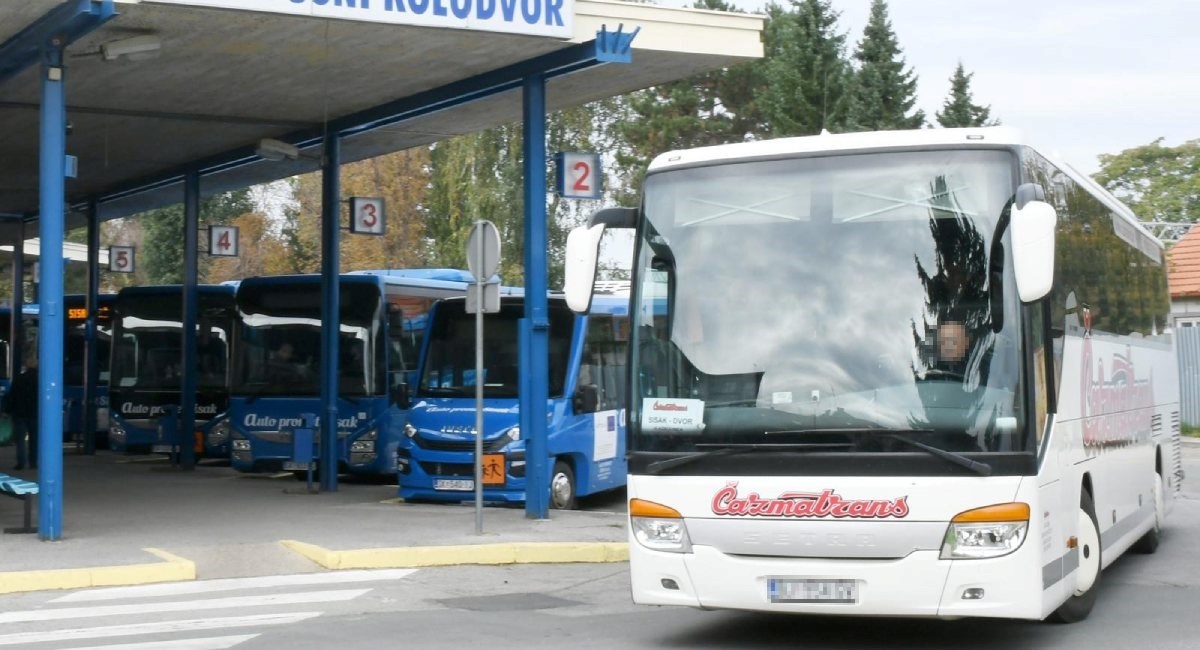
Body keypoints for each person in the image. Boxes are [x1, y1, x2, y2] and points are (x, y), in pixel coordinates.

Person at [8, 353, 39, 471]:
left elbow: (12, 396)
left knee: (20, 440)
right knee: (34, 439)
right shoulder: (40, 379)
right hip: (34, 413)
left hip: (19, 413)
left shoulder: (19, 378)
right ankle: (33, 462)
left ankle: (21, 462)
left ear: (26, 366)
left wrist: (7, 411)